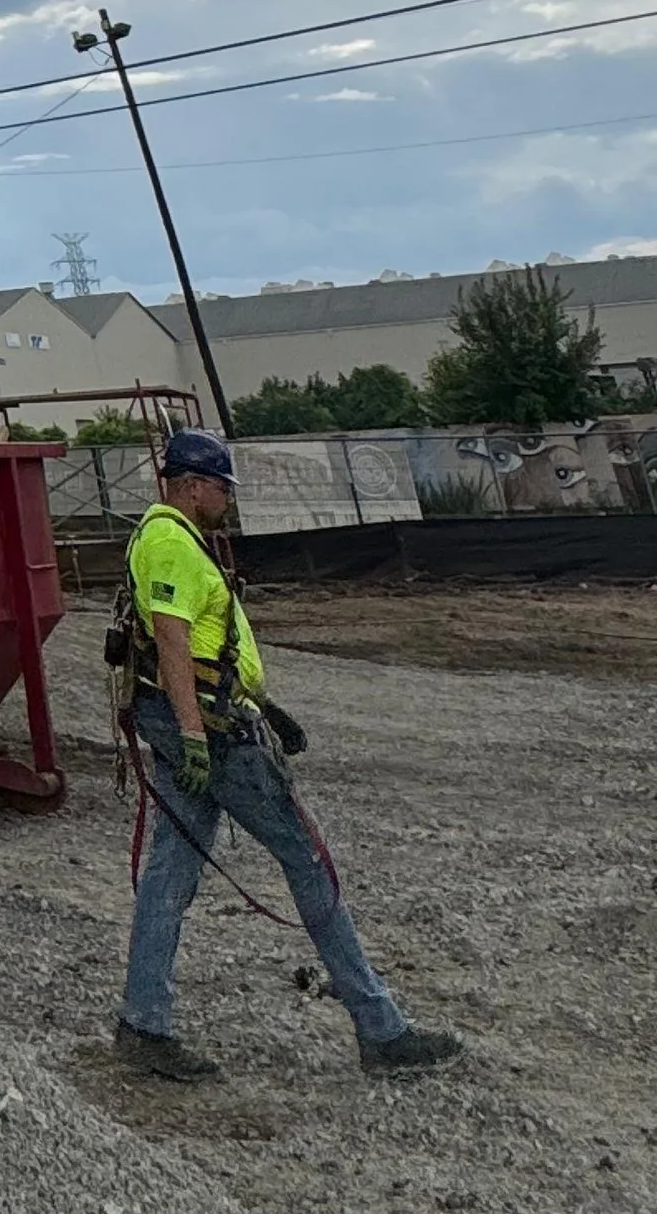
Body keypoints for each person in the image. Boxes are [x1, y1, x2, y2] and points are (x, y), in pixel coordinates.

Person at [113, 427, 460, 1084]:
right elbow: (172, 641)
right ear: (191, 484)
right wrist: (193, 732)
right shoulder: (169, 541)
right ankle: (381, 1028)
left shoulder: (175, 538)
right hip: (211, 735)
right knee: (306, 858)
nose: (228, 497)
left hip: (205, 722)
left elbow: (206, 642)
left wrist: (262, 705)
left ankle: (144, 1021)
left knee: (170, 871)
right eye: (221, 485)